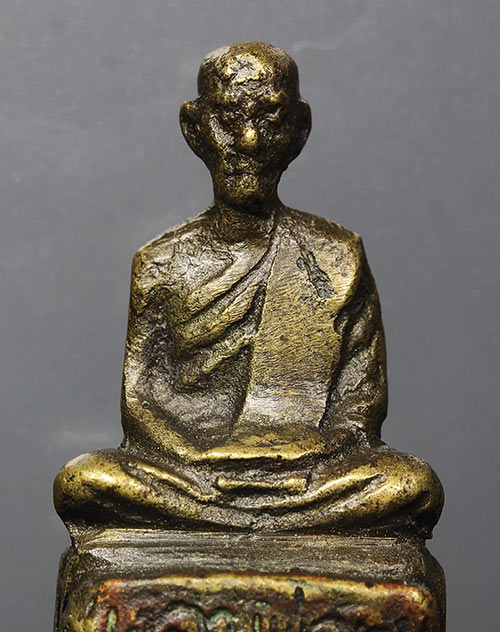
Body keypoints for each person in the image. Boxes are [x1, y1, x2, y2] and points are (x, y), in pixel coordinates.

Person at [54, 42, 443, 537]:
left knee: (411, 484)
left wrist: (314, 451)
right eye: (228, 119)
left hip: (306, 473)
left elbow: (360, 403)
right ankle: (259, 523)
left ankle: (231, 523)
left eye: (270, 118)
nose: (250, 139)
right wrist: (198, 457)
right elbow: (142, 405)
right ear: (195, 129)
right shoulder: (161, 264)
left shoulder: (336, 255)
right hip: (193, 474)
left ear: (299, 129)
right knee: (84, 480)